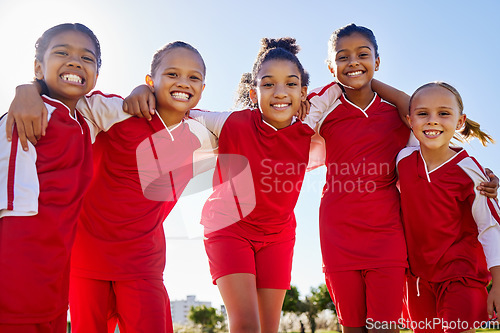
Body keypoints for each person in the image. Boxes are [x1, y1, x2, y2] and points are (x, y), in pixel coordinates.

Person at [5, 41, 217, 333]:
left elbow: (253, 125)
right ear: (150, 80)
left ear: (203, 88)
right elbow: (67, 92)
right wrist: (27, 89)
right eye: (172, 74)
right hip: (85, 262)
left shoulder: (203, 134)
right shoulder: (115, 111)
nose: (183, 82)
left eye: (194, 77)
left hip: (143, 266)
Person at [307, 24, 499, 333]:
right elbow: (287, 134)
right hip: (337, 233)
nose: (354, 62)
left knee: (384, 327)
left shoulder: (399, 115)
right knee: (353, 327)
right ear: (331, 66)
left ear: (378, 62)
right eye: (343, 57)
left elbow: (435, 143)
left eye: (363, 55)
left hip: (388, 237)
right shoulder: (323, 110)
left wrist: (480, 172)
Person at [0, 23, 104, 333]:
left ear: (96, 74)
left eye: (87, 58)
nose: (74, 61)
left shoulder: (86, 120)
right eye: (62, 52)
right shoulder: (27, 115)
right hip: (16, 269)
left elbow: (128, 107)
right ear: (38, 66)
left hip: (55, 274)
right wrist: (28, 89)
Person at [397, 82, 500, 333]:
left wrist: (498, 283)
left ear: (460, 121)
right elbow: (402, 100)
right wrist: (366, 82)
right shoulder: (403, 159)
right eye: (423, 114)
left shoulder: (470, 170)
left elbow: (490, 227)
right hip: (418, 279)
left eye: (444, 113)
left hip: (461, 276)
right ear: (410, 120)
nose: (432, 121)